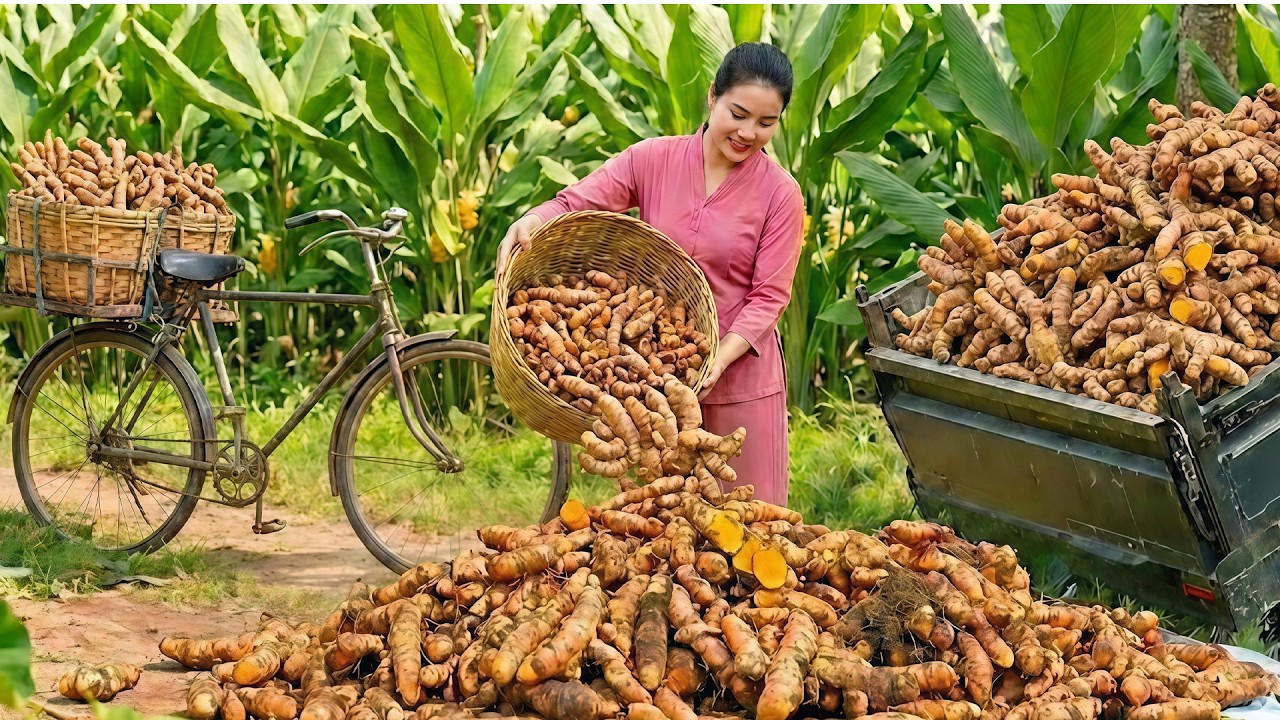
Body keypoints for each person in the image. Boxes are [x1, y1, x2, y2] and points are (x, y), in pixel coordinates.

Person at [497, 43, 804, 506]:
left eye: (766, 123)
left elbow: (769, 297)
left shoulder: (781, 194)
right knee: (662, 527)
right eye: (738, 114)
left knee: (748, 521)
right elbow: (575, 202)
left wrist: (719, 359)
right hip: (656, 375)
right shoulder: (652, 159)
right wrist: (531, 220)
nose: (748, 133)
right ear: (712, 96)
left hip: (741, 378)